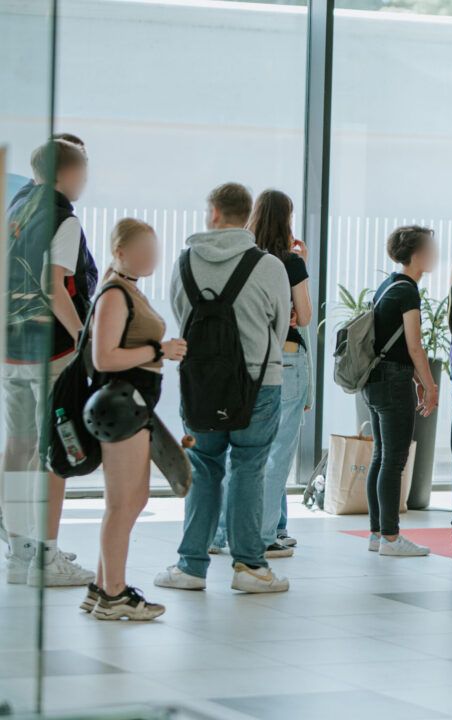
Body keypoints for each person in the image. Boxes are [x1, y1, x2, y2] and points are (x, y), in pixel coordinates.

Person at [154, 182, 291, 594]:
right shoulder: (268, 266)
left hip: (201, 384)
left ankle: (191, 566)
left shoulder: (184, 262)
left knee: (204, 467)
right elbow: (280, 325)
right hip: (259, 384)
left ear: (213, 212)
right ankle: (250, 568)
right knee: (249, 468)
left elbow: (181, 315)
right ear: (246, 216)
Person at [3, 137, 97, 587]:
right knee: (52, 450)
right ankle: (47, 555)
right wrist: (82, 339)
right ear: (67, 173)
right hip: (51, 351)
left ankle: (19, 552)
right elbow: (55, 285)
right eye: (82, 171)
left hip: (10, 348)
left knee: (17, 446)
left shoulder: (14, 210)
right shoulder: (64, 217)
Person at [85, 219, 187, 619]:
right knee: (123, 502)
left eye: (154, 250)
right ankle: (113, 593)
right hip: (120, 405)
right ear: (120, 251)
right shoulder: (114, 293)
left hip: (134, 404)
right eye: (143, 250)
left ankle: (101, 586)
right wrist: (159, 351)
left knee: (132, 499)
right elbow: (104, 357)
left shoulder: (128, 289)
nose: (151, 258)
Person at [209, 190, 311, 559]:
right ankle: (264, 535)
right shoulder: (288, 262)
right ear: (288, 219)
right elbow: (305, 315)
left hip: (242, 361)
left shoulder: (243, 259)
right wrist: (303, 264)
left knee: (241, 453)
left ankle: (222, 533)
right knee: (276, 452)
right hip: (283, 358)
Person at [362, 225, 440, 557]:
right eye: (432, 249)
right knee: (393, 460)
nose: (436, 255)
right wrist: (430, 386)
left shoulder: (388, 285)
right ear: (418, 254)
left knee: (382, 457)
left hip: (375, 379)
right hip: (394, 381)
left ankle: (378, 534)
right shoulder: (407, 291)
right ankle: (391, 538)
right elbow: (415, 347)